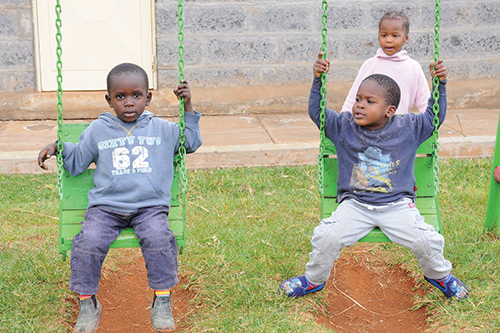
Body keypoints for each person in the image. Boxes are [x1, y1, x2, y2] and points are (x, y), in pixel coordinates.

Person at [279, 53, 469, 301]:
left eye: (370, 101)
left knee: (427, 240)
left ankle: (440, 276)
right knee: (326, 237)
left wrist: (440, 85)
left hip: (397, 206)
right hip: (355, 206)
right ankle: (313, 281)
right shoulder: (344, 126)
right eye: (358, 99)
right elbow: (318, 113)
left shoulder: (407, 128)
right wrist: (318, 79)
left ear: (390, 110)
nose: (359, 105)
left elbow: (434, 117)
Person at [38, 63, 202, 333]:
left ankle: (162, 299)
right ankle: (87, 301)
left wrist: (188, 105)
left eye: (137, 96)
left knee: (159, 237)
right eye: (120, 97)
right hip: (106, 208)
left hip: (149, 207)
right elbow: (78, 161)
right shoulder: (98, 130)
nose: (129, 103)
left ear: (148, 98)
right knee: (88, 240)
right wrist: (57, 147)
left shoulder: (162, 129)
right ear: (109, 99)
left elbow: (191, 142)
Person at [341, 11, 430, 114]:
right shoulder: (370, 65)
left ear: (406, 38)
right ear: (378, 37)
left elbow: (424, 101)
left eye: (395, 36)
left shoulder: (413, 67)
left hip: (400, 124)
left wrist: (429, 122)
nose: (388, 40)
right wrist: (344, 117)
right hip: (371, 125)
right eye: (384, 35)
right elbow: (354, 95)